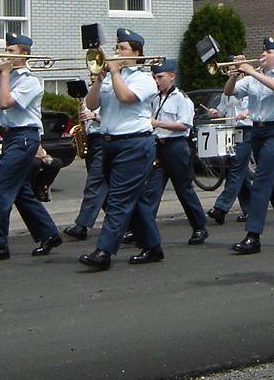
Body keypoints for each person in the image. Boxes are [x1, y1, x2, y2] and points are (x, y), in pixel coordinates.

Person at [0, 33, 62, 262]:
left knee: (0, 189)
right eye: (6, 50)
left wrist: (3, 76)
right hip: (11, 137)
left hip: (24, 136)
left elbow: (6, 103)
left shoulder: (29, 80)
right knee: (20, 191)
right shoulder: (8, 77)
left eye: (11, 51)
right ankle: (48, 233)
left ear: (24, 55)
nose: (5, 55)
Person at [79, 28, 162, 271]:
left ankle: (104, 251)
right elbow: (92, 104)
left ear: (136, 53)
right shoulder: (110, 76)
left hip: (135, 143)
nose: (116, 52)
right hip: (109, 142)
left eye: (122, 48)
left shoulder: (144, 78)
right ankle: (153, 246)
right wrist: (99, 79)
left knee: (118, 199)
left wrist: (114, 72)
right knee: (134, 198)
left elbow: (126, 97)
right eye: (116, 48)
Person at [223, 38, 274, 255]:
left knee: (261, 181)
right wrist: (234, 72)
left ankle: (253, 236)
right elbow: (229, 92)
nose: (263, 53)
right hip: (257, 131)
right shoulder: (252, 77)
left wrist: (251, 72)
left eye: (268, 51)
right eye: (263, 50)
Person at [140, 59, 209, 245]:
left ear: (172, 76)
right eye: (155, 77)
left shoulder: (182, 99)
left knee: (184, 189)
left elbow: (183, 125)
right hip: (159, 146)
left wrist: (157, 123)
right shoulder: (155, 98)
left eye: (161, 77)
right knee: (151, 190)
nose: (157, 81)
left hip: (176, 147)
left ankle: (199, 227)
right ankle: (143, 228)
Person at [204, 90, 253, 225]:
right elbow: (222, 112)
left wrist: (247, 112)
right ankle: (250, 209)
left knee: (236, 169)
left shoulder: (250, 89)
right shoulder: (227, 93)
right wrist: (215, 113)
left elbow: (259, 107)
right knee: (239, 171)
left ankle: (221, 208)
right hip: (230, 131)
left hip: (247, 130)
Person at [62, 97, 106, 241]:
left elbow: (117, 119)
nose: (93, 77)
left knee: (94, 184)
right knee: (103, 188)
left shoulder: (111, 91)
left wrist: (94, 116)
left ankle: (82, 225)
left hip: (104, 139)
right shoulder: (90, 94)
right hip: (92, 140)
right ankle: (130, 225)